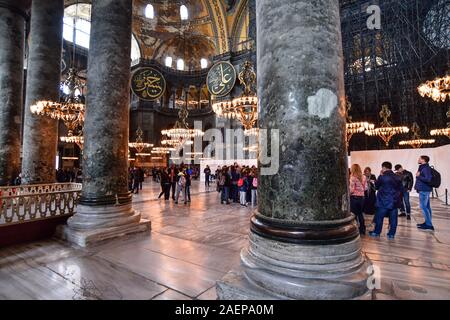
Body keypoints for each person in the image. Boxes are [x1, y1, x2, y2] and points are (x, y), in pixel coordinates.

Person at [369, 161, 403, 239]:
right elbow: (401, 189)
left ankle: (376, 232)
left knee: (379, 218)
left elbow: (376, 187)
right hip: (394, 201)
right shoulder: (398, 177)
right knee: (394, 219)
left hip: (383, 201)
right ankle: (391, 234)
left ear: (384, 168)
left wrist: (379, 176)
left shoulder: (382, 176)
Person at [415, 155, 434, 231]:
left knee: (423, 207)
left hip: (424, 190)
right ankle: (427, 222)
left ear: (423, 160)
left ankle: (429, 225)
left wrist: (418, 176)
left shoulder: (425, 168)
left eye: (419, 158)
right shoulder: (423, 167)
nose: (418, 159)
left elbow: (428, 179)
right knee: (427, 207)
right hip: (424, 189)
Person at [349, 164, 367, 235]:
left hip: (354, 198)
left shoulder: (352, 178)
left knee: (353, 215)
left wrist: (348, 194)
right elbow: (365, 188)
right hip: (362, 198)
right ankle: (362, 229)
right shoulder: (364, 177)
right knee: (360, 214)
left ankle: (355, 230)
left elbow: (352, 190)